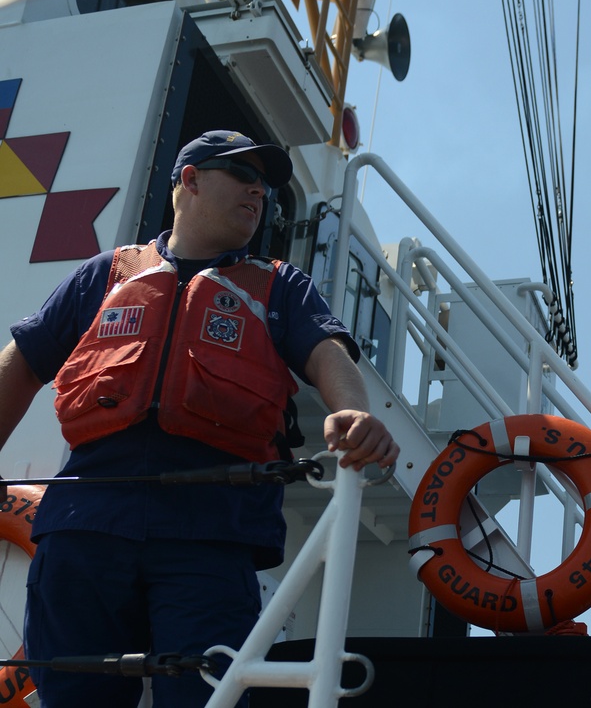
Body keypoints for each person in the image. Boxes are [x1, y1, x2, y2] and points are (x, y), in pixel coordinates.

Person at [0, 130, 400, 707]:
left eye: (264, 184)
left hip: (209, 535)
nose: (258, 192)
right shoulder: (106, 275)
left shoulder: (281, 287)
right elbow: (22, 361)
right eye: (243, 176)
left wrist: (353, 412)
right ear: (189, 180)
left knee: (207, 700)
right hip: (84, 529)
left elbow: (326, 352)